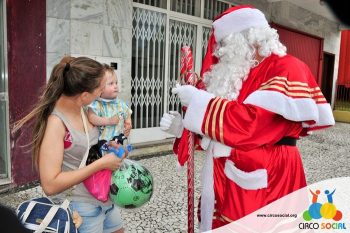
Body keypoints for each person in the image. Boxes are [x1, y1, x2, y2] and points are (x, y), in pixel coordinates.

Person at [160, 5, 335, 231]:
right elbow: (223, 131)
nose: (219, 52)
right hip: (228, 178)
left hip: (269, 179)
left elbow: (250, 125)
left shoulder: (286, 67)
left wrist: (199, 103)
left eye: (223, 45)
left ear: (244, 38)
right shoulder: (239, 73)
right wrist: (183, 128)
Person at [13, 56, 130, 233]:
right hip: (80, 209)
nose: (101, 93)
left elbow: (86, 150)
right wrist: (101, 164)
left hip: (104, 198)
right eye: (99, 89)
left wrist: (109, 149)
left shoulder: (83, 110)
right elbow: (50, 185)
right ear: (84, 95)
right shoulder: (56, 124)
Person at [87, 64, 132, 156]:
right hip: (104, 142)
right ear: (99, 88)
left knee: (120, 158)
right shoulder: (97, 104)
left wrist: (128, 123)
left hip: (118, 139)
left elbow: (127, 114)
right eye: (111, 84)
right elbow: (91, 117)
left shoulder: (120, 104)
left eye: (116, 83)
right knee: (107, 162)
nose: (115, 86)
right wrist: (108, 121)